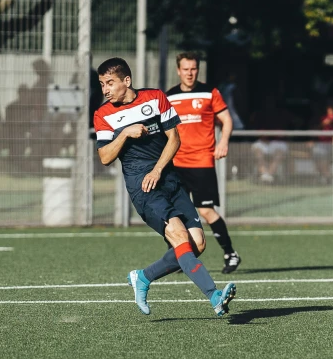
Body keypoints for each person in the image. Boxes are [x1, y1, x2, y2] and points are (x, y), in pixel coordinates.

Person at [93, 57, 236, 316]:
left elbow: (174, 139)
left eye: (110, 83)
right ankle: (214, 296)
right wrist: (124, 133)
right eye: (102, 84)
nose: (105, 89)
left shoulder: (156, 97)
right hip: (142, 186)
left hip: (168, 178)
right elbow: (104, 157)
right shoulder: (103, 114)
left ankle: (143, 277)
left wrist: (159, 169)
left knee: (197, 244)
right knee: (180, 237)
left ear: (127, 81)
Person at [166, 52, 241, 274]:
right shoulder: (169, 97)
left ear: (198, 70)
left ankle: (231, 253)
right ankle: (182, 256)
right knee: (176, 213)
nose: (190, 73)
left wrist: (223, 141)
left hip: (201, 162)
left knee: (206, 211)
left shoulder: (210, 93)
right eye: (186, 69)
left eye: (193, 69)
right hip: (176, 163)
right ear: (178, 70)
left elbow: (227, 119)